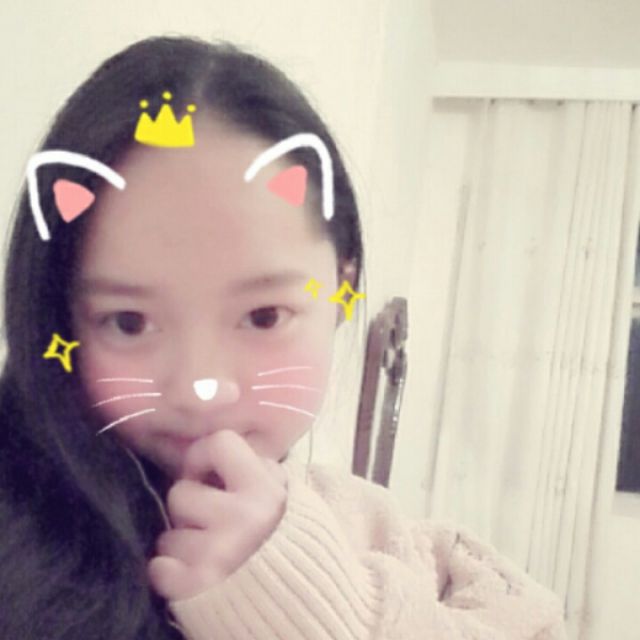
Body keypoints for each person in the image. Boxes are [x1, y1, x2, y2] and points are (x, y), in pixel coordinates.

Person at [0, 35, 567, 640]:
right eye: (130, 322)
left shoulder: (390, 539)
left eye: (264, 315)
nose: (201, 387)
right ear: (59, 317)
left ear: (342, 288)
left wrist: (315, 609)